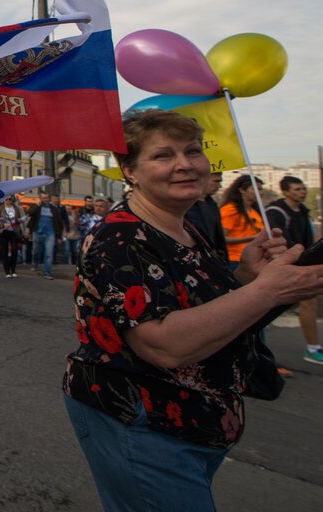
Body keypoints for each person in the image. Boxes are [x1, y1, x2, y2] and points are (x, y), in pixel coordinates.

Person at [62, 109, 323, 512]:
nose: (185, 164)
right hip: (143, 421)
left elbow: (195, 302)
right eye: (163, 155)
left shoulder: (181, 225)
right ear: (129, 170)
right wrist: (268, 291)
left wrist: (247, 275)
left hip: (193, 421)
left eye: (193, 151)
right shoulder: (121, 235)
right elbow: (163, 344)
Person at [266, 176, 323, 365]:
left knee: (286, 303)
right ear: (286, 191)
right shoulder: (276, 212)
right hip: (287, 264)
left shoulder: (303, 211)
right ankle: (313, 348)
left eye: (303, 188)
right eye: (297, 189)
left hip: (303, 263)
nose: (302, 192)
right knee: (309, 300)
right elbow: (277, 239)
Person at [220, 174, 264, 272]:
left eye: (261, 189)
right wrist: (252, 238)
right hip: (235, 260)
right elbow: (222, 238)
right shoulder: (230, 210)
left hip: (254, 259)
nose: (260, 193)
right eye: (256, 189)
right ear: (242, 190)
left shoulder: (255, 210)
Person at [185, 172, 228, 263]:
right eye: (216, 181)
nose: (219, 186)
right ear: (203, 179)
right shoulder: (184, 205)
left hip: (216, 259)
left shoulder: (211, 204)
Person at [27, 190, 63, 280]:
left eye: (46, 198)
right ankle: (35, 264)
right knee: (36, 251)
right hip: (37, 232)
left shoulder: (53, 209)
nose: (45, 199)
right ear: (40, 198)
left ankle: (47, 272)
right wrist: (37, 205)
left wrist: (59, 236)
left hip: (50, 234)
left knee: (49, 253)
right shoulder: (36, 206)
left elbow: (59, 222)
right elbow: (29, 213)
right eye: (43, 198)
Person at [0, 196, 25, 278]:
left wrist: (22, 229)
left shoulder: (16, 208)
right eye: (6, 199)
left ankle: (13, 269)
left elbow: (20, 220)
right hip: (4, 231)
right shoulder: (0, 208)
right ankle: (7, 271)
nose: (8, 201)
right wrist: (2, 225)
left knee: (14, 250)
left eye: (10, 199)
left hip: (14, 231)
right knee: (4, 250)